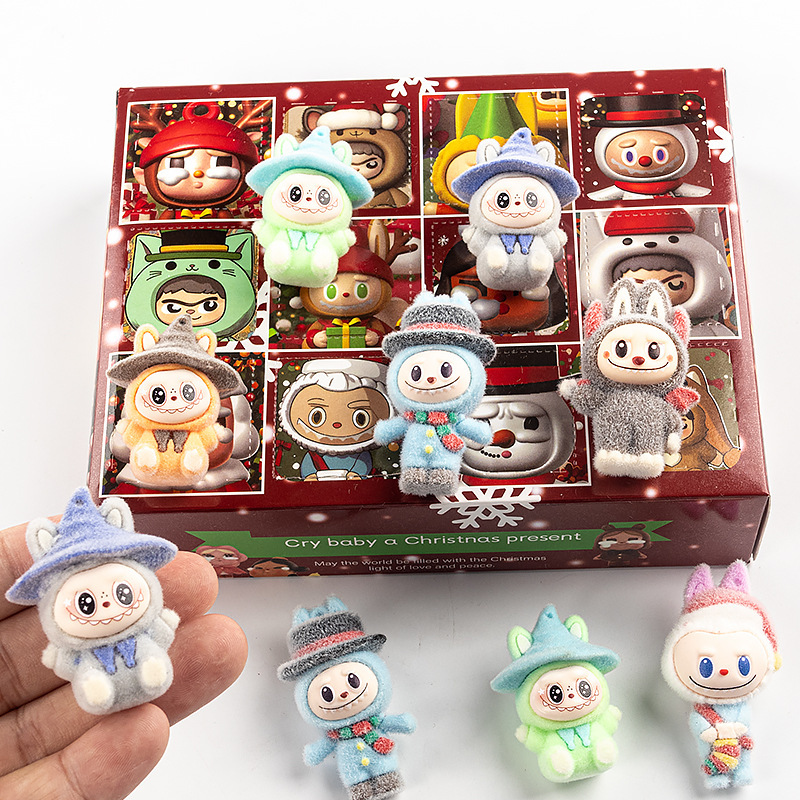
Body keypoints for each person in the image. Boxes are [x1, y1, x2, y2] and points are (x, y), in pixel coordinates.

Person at [0, 517, 248, 799]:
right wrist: (58, 657)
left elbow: (160, 631)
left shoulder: (143, 625)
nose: (107, 604)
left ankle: (150, 671)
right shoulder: (73, 642)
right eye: (86, 603)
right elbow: (67, 660)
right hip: (94, 662)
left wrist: (165, 623)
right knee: (90, 670)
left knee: (150, 651)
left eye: (121, 593)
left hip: (141, 649)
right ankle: (98, 689)